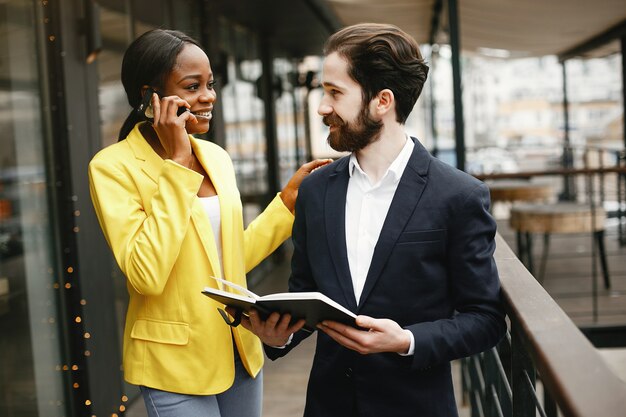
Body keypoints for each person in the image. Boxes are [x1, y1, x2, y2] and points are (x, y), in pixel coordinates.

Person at [239, 23, 507, 417]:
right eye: (323, 92)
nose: (322, 107)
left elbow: (485, 320)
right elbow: (304, 296)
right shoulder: (315, 191)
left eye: (335, 93)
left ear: (382, 101)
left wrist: (407, 340)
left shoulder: (459, 195)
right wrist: (276, 337)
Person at [88, 29, 330, 417]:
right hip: (174, 365)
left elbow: (229, 258)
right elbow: (145, 274)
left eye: (211, 84)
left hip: (238, 350)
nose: (209, 96)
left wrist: (286, 204)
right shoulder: (111, 167)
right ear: (151, 97)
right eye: (192, 86)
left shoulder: (216, 157)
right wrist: (178, 166)